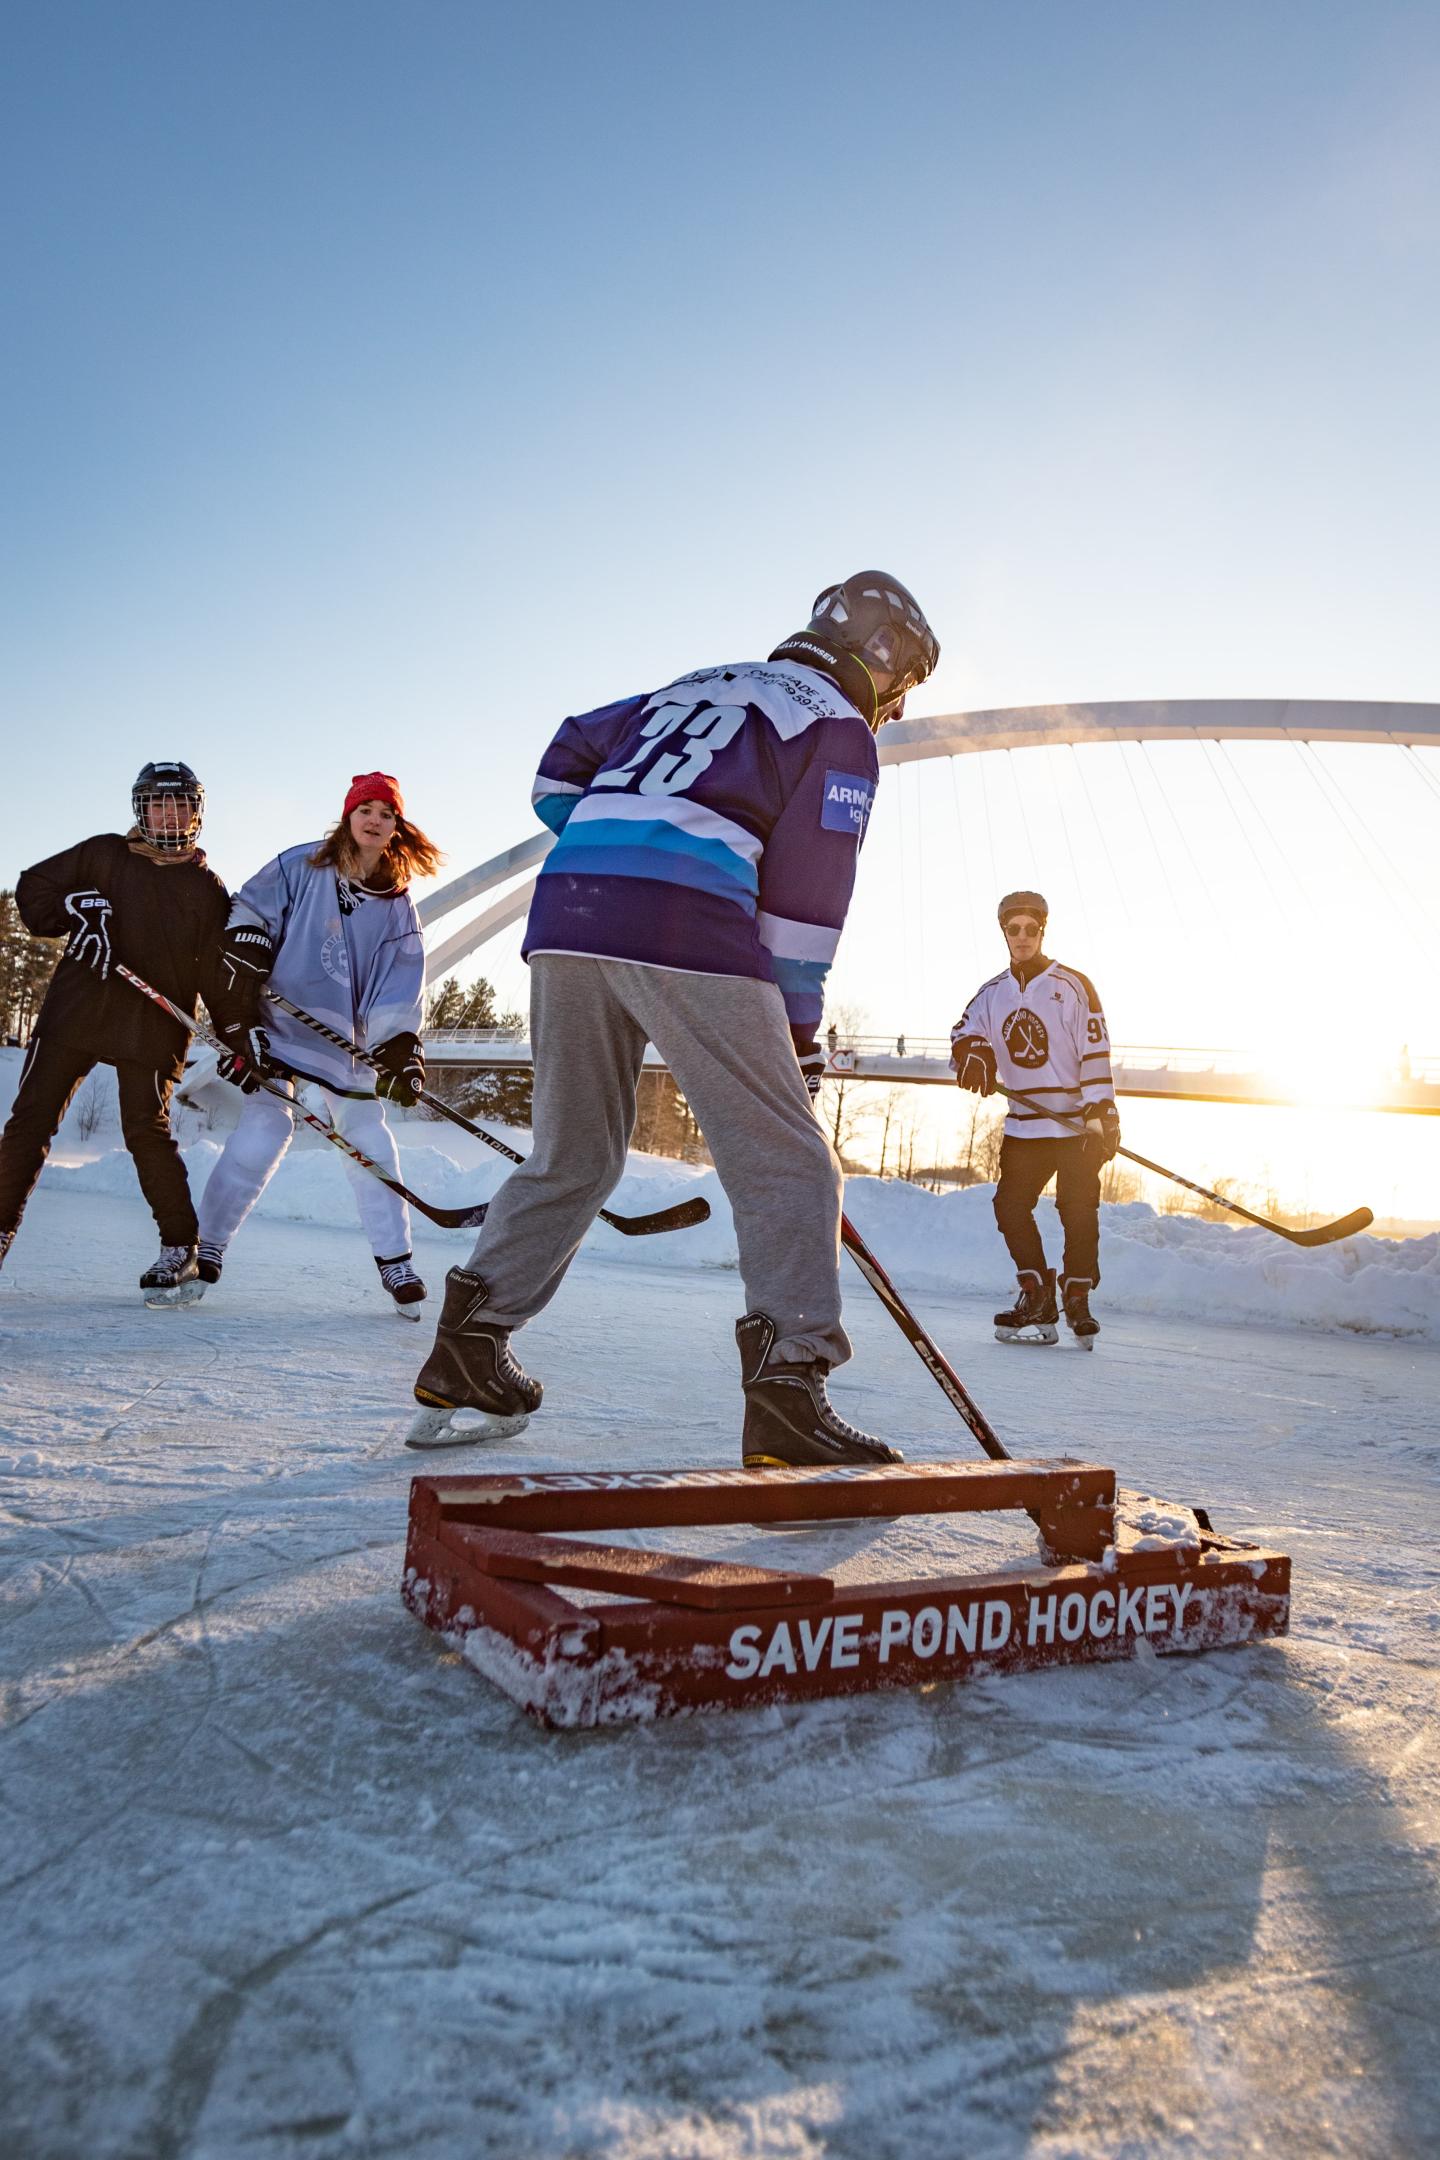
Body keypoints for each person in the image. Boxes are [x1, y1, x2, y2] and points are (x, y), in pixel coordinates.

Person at [409, 571, 940, 1458]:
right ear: (882, 655)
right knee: (791, 1164)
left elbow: (555, 769)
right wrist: (798, 1034)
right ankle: (788, 1390)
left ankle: (468, 1345)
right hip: (686, 918)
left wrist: (619, 829)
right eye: (903, 680)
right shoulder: (840, 726)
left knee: (573, 1154)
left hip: (570, 908)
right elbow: (810, 892)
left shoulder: (692, 683)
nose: (894, 701)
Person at [196, 773, 440, 1316]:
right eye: (366, 810)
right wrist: (248, 957)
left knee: (369, 1139)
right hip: (277, 1024)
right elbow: (249, 910)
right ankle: (205, 1244)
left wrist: (399, 1049)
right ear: (348, 817)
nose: (375, 820)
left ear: (397, 827)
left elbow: (400, 982)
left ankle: (396, 1261)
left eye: (386, 813)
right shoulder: (300, 865)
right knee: (264, 1129)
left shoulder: (398, 906)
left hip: (342, 1042)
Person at [0, 762, 229, 1297]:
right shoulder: (102, 854)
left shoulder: (205, 888)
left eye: (179, 803)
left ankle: (181, 1247)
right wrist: (72, 906)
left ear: (196, 811)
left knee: (145, 1131)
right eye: (157, 803)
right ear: (140, 809)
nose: (168, 813)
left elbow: (219, 979)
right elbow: (33, 891)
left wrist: (239, 1039)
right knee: (30, 1122)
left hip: (152, 1024)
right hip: (76, 1011)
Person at [950, 890, 1119, 1345]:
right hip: (1025, 1123)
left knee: (1077, 1208)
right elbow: (963, 1033)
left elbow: (1095, 1050)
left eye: (1030, 928)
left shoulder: (1073, 986)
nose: (1021, 937)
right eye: (1013, 929)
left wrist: (1102, 1110)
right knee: (1009, 1206)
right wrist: (973, 1054)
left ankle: (1078, 1297)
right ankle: (1037, 1293)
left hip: (1075, 1123)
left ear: (1043, 931)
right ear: (1003, 933)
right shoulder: (991, 994)